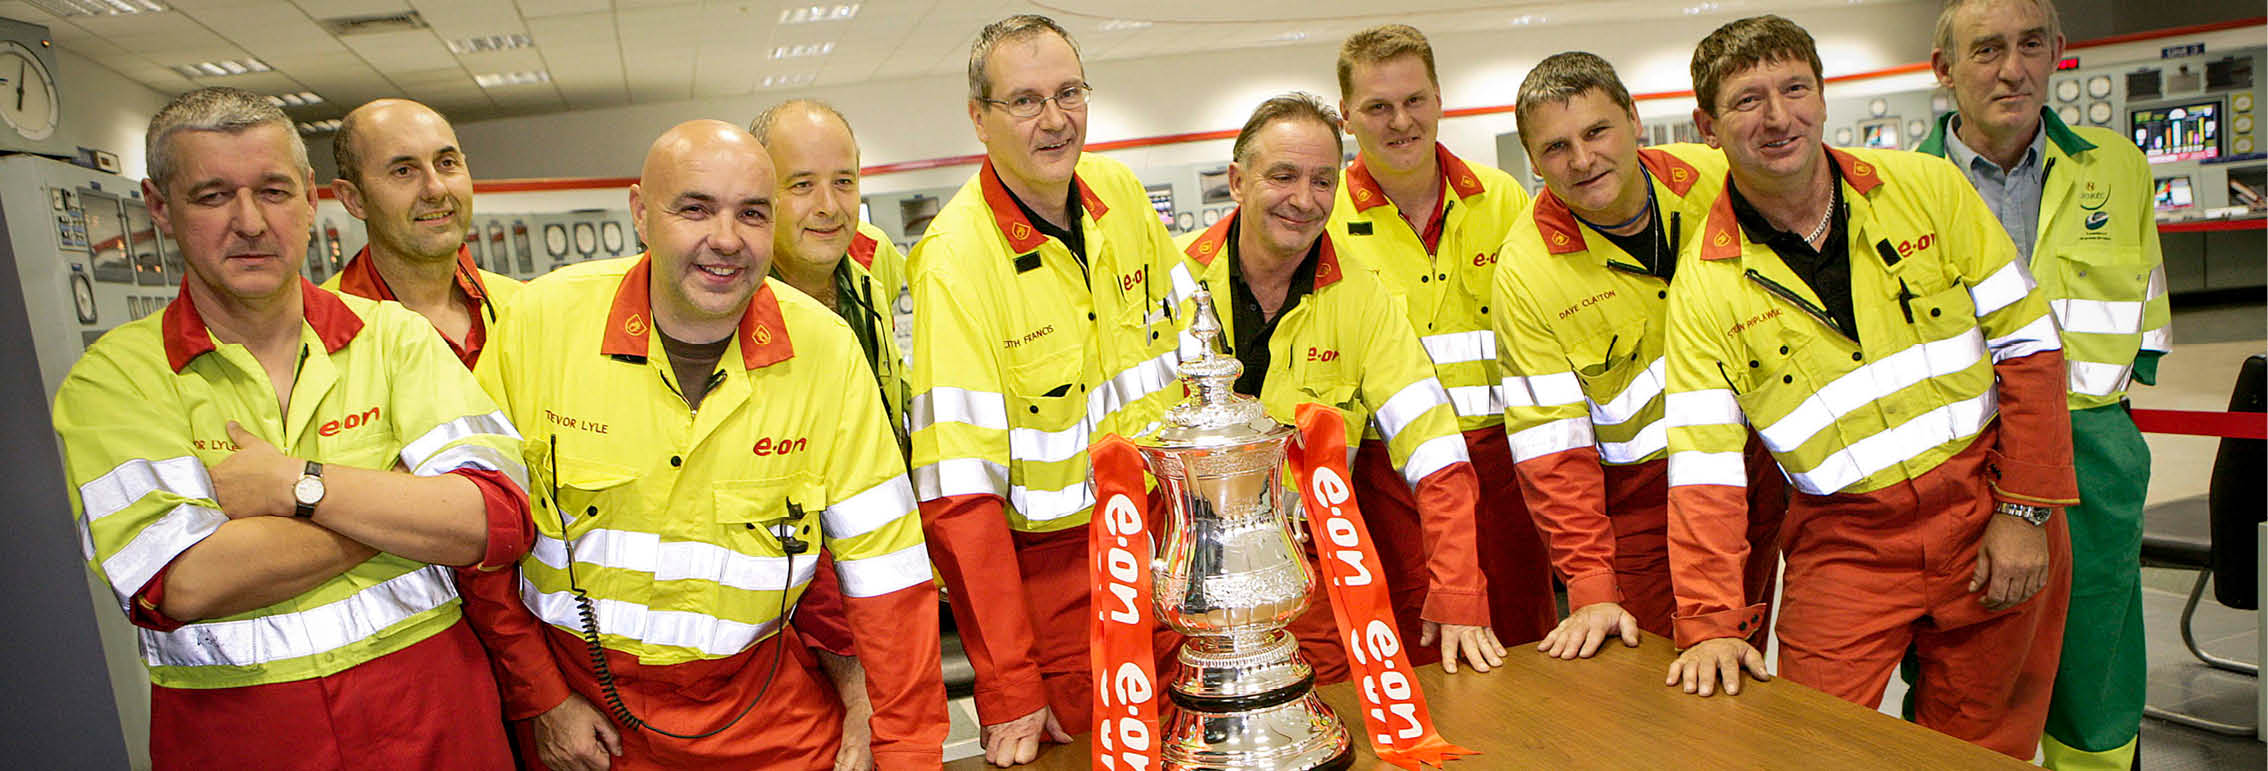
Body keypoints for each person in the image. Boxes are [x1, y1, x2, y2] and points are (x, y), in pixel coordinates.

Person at [51, 86, 532, 769]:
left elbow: (493, 517)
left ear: (310, 198)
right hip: (240, 735)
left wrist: (293, 485)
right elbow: (179, 579)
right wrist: (396, 501)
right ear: (159, 206)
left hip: (438, 718)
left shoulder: (394, 338)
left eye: (274, 191)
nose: (250, 222)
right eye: (213, 195)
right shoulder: (116, 379)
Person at [463, 120, 947, 770]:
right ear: (641, 212)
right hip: (589, 727)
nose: (725, 239)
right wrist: (542, 697)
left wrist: (907, 748)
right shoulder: (540, 327)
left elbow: (887, 576)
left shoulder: (826, 351)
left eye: (751, 213)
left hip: (768, 716)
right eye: (695, 209)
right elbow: (478, 545)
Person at [1661, 16, 2077, 760]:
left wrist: (2025, 511)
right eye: (1749, 100)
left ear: (1823, 97)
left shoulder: (1926, 190)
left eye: (1795, 89)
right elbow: (1706, 470)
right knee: (1815, 745)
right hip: (1846, 542)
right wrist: (1711, 622)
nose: (1779, 116)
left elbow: (2032, 347)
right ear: (1708, 126)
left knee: (1983, 746)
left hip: (1989, 507)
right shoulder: (1702, 288)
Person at [907, 14, 1184, 767]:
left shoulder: (1120, 194)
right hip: (1064, 602)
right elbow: (958, 497)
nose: (1055, 120)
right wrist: (1008, 683)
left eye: (1069, 92)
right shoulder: (954, 263)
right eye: (1025, 101)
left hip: (1171, 558)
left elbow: (1197, 350)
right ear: (979, 119)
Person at [1166, 93, 1506, 680]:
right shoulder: (1167, 286)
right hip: (1180, 587)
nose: (1304, 199)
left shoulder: (1362, 296)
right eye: (1283, 176)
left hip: (1304, 579)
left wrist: (1457, 588)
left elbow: (1434, 449)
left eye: (1323, 180)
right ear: (1237, 181)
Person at [1919, 1, 2170, 766]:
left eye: (2031, 45)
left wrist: (2116, 432)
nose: (2013, 67)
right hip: (1961, 456)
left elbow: (2142, 309)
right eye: (1987, 49)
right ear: (1944, 70)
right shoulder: (1895, 187)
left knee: (2097, 667)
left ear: (2059, 51)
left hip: (2092, 453)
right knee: (1965, 668)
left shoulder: (2116, 165)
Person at [1491, 52, 1785, 660]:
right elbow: (1552, 447)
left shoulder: (1713, 181)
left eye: (1597, 131)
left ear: (1634, 118)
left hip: (1754, 474)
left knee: (1744, 657)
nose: (1582, 159)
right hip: (1642, 511)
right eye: (1555, 148)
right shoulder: (1526, 271)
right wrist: (1591, 583)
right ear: (1533, 161)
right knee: (1664, 686)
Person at [1328, 24, 1554, 654]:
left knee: (1528, 643)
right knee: (1424, 652)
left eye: (1414, 100)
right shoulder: (1328, 224)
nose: (1401, 121)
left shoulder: (1502, 199)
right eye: (1377, 106)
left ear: (1438, 98)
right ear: (1347, 116)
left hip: (1506, 471)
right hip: (1392, 479)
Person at [752, 97, 916, 771]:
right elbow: (785, 511)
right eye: (801, 185)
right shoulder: (738, 309)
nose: (829, 205)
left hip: (882, 587)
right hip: (789, 629)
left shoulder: (873, 270)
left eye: (844, 181)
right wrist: (857, 682)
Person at [324, 98, 519, 368]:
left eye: (447, 163)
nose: (436, 189)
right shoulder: (319, 329)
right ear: (354, 199)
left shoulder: (520, 305)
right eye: (403, 171)